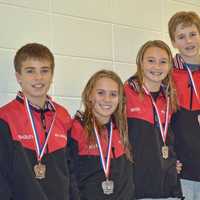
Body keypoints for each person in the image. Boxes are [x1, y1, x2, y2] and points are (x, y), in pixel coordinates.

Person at [0, 43, 74, 200]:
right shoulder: (5, 118)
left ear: (52, 75)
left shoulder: (62, 115)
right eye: (30, 71)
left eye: (44, 70)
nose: (38, 77)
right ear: (18, 76)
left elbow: (71, 169)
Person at [124, 40, 183, 199]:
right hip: (138, 186)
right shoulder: (126, 93)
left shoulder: (169, 97)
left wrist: (172, 161)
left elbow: (167, 139)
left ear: (170, 66)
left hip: (167, 185)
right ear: (140, 62)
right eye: (151, 61)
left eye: (163, 62)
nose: (157, 67)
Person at [68, 69, 135, 200]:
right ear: (89, 95)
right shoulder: (76, 129)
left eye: (113, 94)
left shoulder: (123, 130)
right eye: (100, 93)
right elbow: (69, 177)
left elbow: (128, 180)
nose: (107, 99)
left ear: (120, 99)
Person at [168, 11, 200, 199]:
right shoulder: (166, 74)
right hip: (182, 170)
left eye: (193, 34)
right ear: (173, 42)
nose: (188, 41)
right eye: (181, 36)